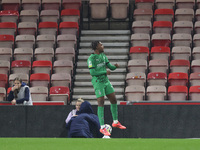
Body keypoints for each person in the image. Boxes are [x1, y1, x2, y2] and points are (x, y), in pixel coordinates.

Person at [87, 41, 126, 136]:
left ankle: (115, 121)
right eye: (101, 45)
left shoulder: (103, 56)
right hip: (98, 82)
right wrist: (104, 72)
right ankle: (102, 127)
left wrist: (115, 67)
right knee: (101, 102)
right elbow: (92, 73)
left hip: (105, 81)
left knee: (113, 99)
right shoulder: (91, 58)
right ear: (96, 47)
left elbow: (110, 67)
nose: (103, 46)